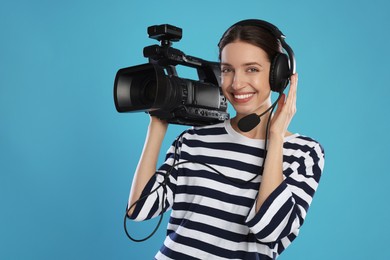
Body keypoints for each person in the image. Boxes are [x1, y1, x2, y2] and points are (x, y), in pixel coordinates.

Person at [126, 19, 325, 259]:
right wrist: (157, 122)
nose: (236, 83)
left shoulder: (305, 153)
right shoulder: (193, 139)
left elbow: (271, 231)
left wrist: (275, 137)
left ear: (278, 75)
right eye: (227, 69)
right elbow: (139, 209)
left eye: (252, 69)